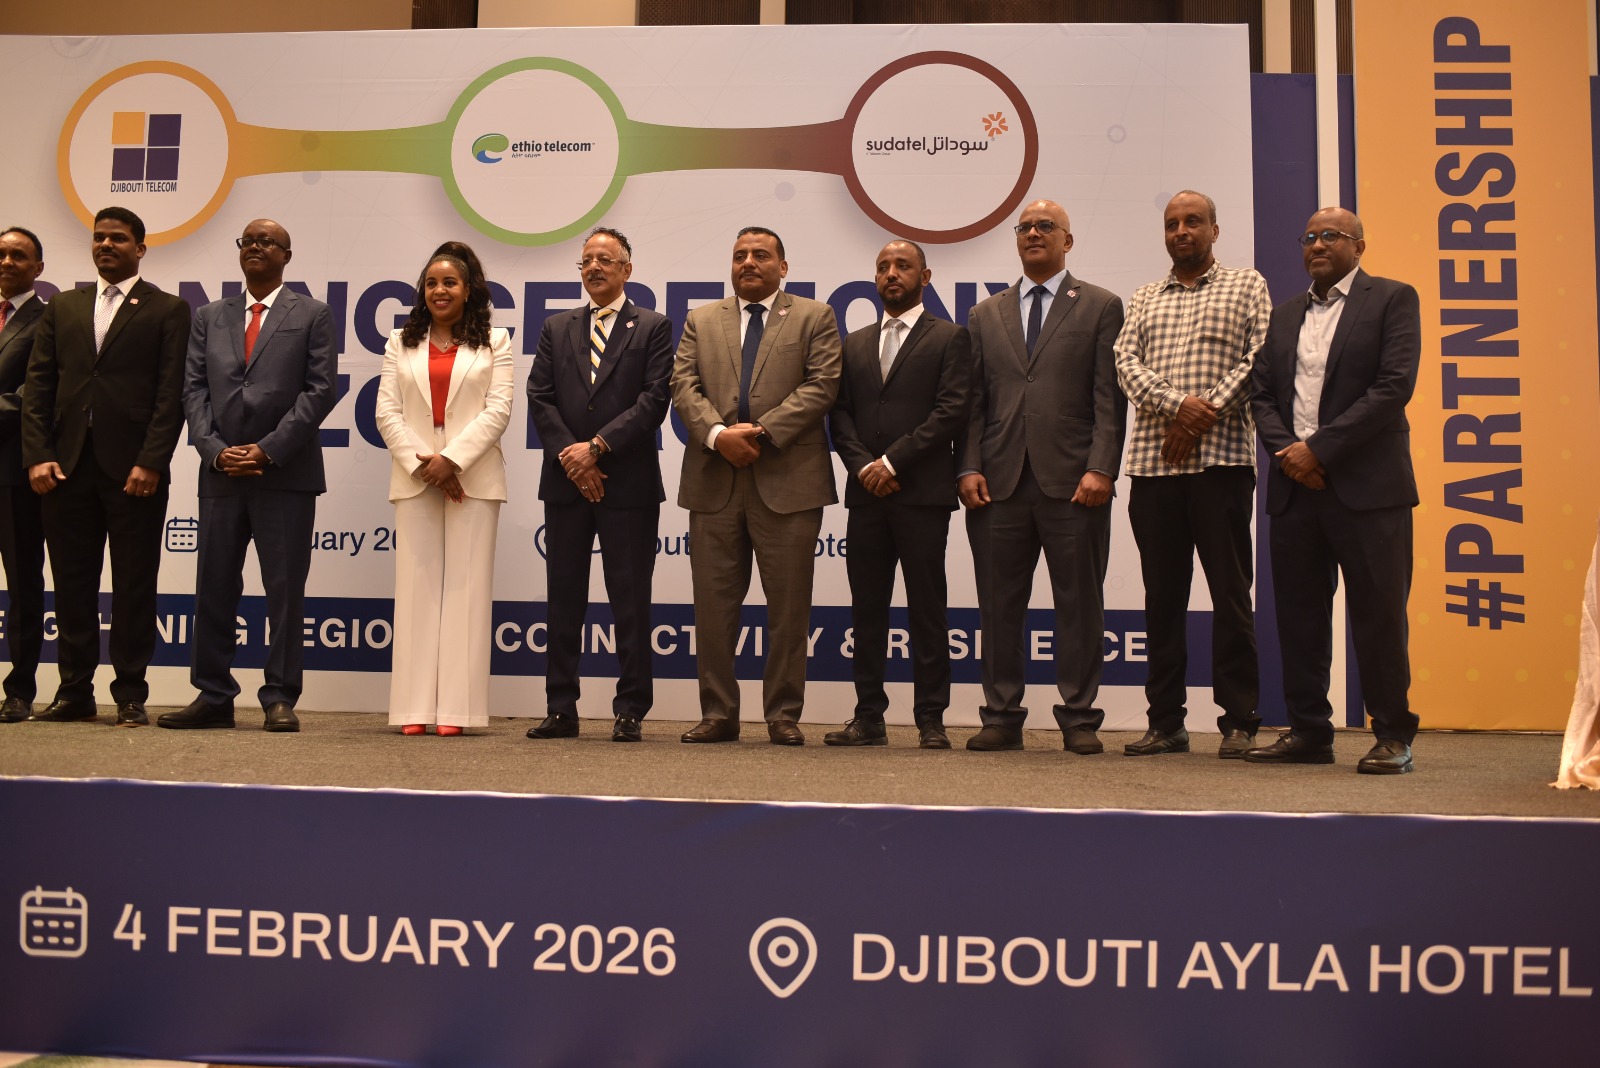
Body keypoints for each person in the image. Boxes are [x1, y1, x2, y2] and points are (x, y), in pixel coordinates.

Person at [1245, 207, 1421, 774]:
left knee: (1378, 616)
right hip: (1296, 490)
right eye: (1309, 237)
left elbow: (1393, 387)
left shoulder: (1392, 299)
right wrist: (1289, 455)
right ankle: (1309, 732)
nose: (1318, 244)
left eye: (1332, 236)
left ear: (1359, 246)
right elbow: (1262, 395)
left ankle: (1392, 734)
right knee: (1299, 618)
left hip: (1369, 491)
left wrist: (1318, 450)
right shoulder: (1283, 315)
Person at [958, 199, 1126, 753]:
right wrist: (969, 465)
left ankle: (1079, 718)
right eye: (1025, 227)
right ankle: (1001, 716)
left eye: (1045, 226)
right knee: (998, 605)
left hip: (1075, 483)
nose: (1033, 233)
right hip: (998, 483)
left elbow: (1109, 398)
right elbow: (974, 402)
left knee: (1079, 606)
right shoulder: (986, 314)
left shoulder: (1100, 305)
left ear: (1067, 241)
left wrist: (1101, 466)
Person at [158, 219, 338, 733]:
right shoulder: (209, 316)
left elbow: (320, 390)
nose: (255, 247)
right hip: (221, 475)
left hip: (285, 473)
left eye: (267, 242)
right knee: (213, 587)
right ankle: (213, 695)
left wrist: (267, 449)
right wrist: (215, 451)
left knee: (285, 590)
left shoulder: (313, 314)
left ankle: (280, 696)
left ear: (287, 255)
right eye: (248, 241)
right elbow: (193, 389)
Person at [669, 226, 841, 745]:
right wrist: (719, 436)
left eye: (761, 255)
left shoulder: (814, 316)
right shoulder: (701, 319)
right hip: (714, 479)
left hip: (789, 482)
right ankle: (718, 713)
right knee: (713, 606)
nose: (748, 262)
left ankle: (783, 714)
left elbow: (822, 385)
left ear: (782, 267)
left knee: (788, 608)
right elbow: (683, 386)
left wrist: (760, 433)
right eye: (740, 255)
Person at [1113, 191, 1269, 759]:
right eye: (1172, 223)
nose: (1182, 231)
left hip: (1221, 465)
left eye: (1193, 222)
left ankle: (1239, 721)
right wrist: (1178, 406)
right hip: (1153, 469)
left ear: (1214, 230)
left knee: (1230, 595)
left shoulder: (1246, 285)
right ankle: (1165, 723)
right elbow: (1125, 362)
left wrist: (1203, 414)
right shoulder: (1144, 297)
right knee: (1162, 600)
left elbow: (1259, 359)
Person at [21, 206, 189, 727]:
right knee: (72, 583)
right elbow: (38, 387)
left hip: (133, 472)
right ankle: (74, 691)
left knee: (134, 584)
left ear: (141, 248)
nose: (106, 245)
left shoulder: (168, 309)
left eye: (117, 238)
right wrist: (39, 455)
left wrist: (151, 460)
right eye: (99, 238)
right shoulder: (63, 306)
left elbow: (171, 394)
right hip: (66, 467)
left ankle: (131, 693)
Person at [526, 226, 673, 742]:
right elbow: (540, 396)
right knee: (563, 599)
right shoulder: (556, 326)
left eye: (605, 259)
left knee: (629, 600)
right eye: (586, 259)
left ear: (627, 270)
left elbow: (654, 400)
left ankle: (630, 708)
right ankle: (560, 708)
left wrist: (598, 448)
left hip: (627, 483)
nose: (594, 267)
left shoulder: (652, 326)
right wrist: (574, 457)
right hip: (566, 482)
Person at [826, 239, 971, 750]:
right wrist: (863, 465)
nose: (892, 273)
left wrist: (891, 462)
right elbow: (839, 414)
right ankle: (868, 717)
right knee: (867, 609)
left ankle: (931, 718)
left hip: (921, 495)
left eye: (903, 266)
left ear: (924, 277)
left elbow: (951, 411)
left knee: (927, 609)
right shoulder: (855, 342)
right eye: (883, 266)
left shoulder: (950, 338)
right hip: (867, 496)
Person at [375, 245, 513, 736]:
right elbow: (386, 412)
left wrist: (451, 460)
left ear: (468, 290)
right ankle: (412, 709)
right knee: (416, 591)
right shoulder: (400, 341)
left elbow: (498, 409)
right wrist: (428, 465)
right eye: (431, 283)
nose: (439, 291)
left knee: (466, 591)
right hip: (415, 477)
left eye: (450, 283)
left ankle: (458, 711)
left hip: (474, 478)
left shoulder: (495, 340)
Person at [0, 227, 47, 723]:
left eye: (18, 255)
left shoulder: (46, 320)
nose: (7, 261)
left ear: (38, 268)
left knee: (23, 586)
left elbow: (33, 396)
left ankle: (19, 690)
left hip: (12, 472)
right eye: (1, 254)